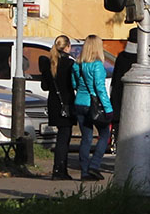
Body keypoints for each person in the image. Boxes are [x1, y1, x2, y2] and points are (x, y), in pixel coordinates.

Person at [71, 34, 113, 181]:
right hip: (93, 105)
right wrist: (108, 109)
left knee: (86, 138)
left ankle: (84, 172)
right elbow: (100, 89)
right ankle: (94, 165)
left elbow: (75, 84)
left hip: (79, 102)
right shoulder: (97, 66)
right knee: (104, 135)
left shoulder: (77, 64)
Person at [38, 35, 76, 180]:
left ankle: (58, 169)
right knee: (64, 138)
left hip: (54, 103)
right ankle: (60, 170)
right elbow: (73, 84)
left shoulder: (49, 63)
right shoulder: (69, 64)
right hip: (66, 103)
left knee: (61, 136)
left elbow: (45, 86)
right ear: (67, 47)